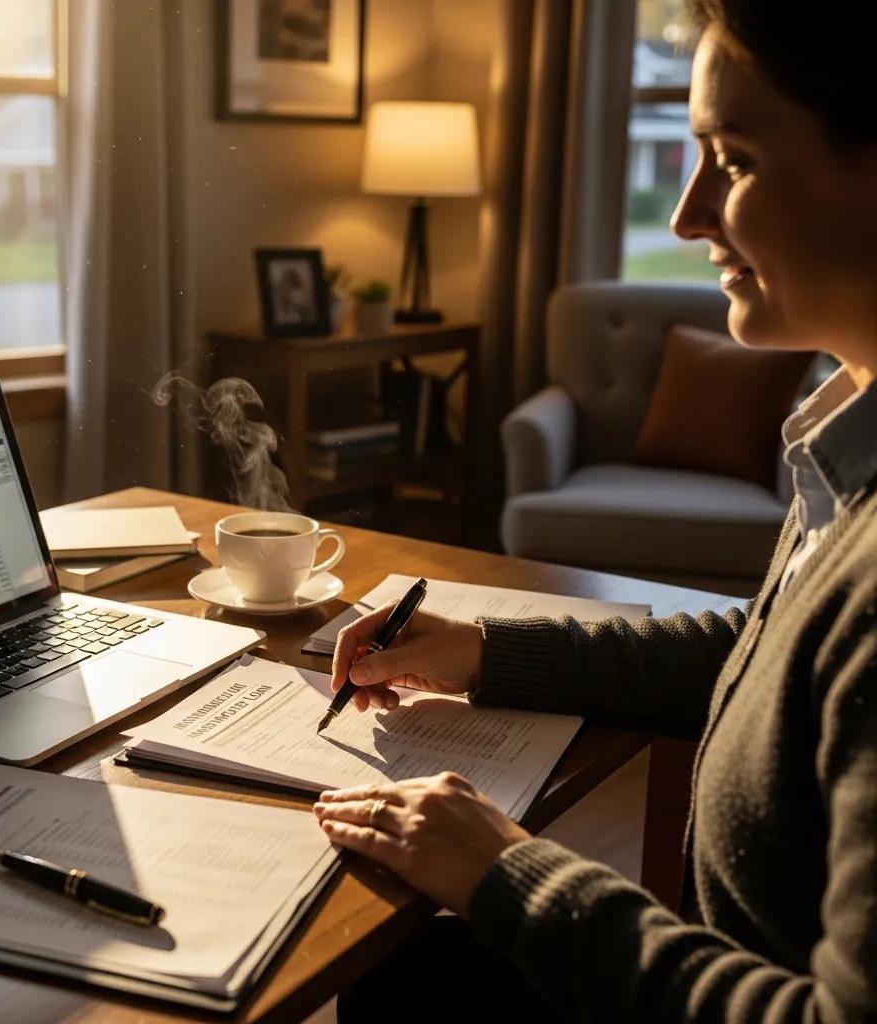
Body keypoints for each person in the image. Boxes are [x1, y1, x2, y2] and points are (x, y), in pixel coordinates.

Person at [312, 1, 877, 1019]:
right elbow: (764, 656)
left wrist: (513, 868)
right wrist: (482, 649)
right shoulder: (849, 447)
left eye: (734, 160)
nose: (686, 215)